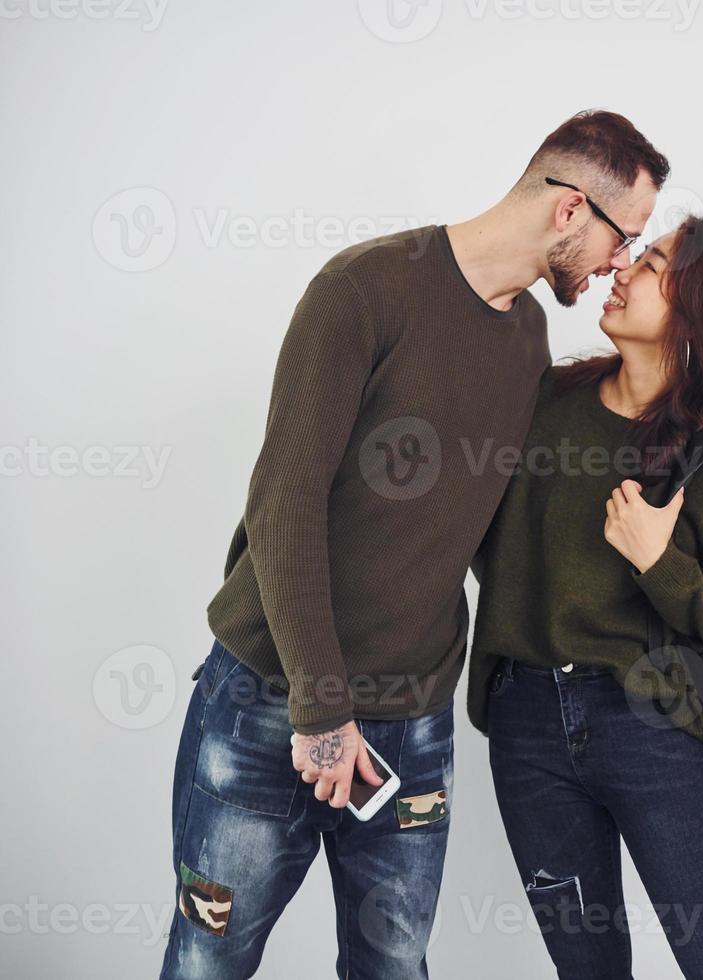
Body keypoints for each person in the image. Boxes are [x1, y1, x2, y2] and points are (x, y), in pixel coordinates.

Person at [160, 110, 669, 979]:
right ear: (571, 210)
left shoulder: (527, 338)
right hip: (269, 700)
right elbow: (284, 504)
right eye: (626, 237)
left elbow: (483, 527)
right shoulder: (364, 289)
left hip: (414, 727)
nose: (622, 263)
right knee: (209, 960)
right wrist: (321, 710)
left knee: (395, 965)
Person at [467, 215, 703, 979]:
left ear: (702, 312)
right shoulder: (546, 402)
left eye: (655, 265)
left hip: (652, 729)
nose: (625, 268)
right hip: (528, 727)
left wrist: (658, 562)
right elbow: (478, 533)